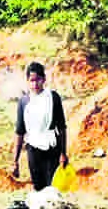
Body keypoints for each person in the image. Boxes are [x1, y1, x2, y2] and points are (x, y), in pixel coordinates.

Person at [12, 62, 69, 192]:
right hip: (33, 150)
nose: (35, 84)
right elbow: (20, 131)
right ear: (27, 81)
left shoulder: (53, 98)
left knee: (52, 188)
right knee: (38, 188)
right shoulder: (24, 102)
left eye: (38, 80)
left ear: (44, 79)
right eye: (32, 80)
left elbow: (61, 127)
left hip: (52, 148)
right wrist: (15, 161)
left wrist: (63, 153)